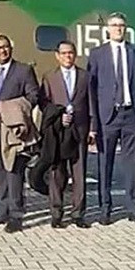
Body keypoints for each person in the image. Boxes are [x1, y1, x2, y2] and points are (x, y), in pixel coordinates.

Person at [87, 12, 135, 225]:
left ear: (126, 28)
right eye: (114, 25)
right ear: (108, 30)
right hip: (108, 116)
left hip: (130, 114)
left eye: (121, 25)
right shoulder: (97, 54)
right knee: (105, 163)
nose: (118, 29)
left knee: (132, 164)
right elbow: (92, 88)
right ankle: (106, 209)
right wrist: (94, 119)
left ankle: (133, 208)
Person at [0, 34, 39, 233]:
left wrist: (7, 108)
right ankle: (1, 211)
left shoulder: (24, 70)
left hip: (14, 132)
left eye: (5, 47)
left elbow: (33, 96)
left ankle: (16, 215)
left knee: (14, 173)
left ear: (10, 48)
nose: (2, 51)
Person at [38, 41, 92, 229]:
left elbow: (91, 103)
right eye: (64, 53)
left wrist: (92, 129)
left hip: (80, 129)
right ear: (57, 55)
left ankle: (78, 213)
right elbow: (44, 103)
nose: (67, 56)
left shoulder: (85, 76)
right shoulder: (49, 77)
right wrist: (57, 116)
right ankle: (56, 213)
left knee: (79, 172)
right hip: (58, 131)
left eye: (71, 53)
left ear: (75, 55)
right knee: (57, 173)